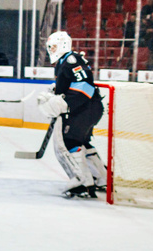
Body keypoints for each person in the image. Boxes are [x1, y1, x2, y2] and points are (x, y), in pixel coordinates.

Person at [37, 31, 107, 199]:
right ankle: (102, 178)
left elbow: (85, 86)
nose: (50, 50)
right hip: (89, 108)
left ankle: (83, 182)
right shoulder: (65, 61)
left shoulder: (71, 60)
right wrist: (57, 93)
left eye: (53, 46)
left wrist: (65, 104)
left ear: (62, 45)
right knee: (82, 142)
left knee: (70, 141)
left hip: (85, 108)